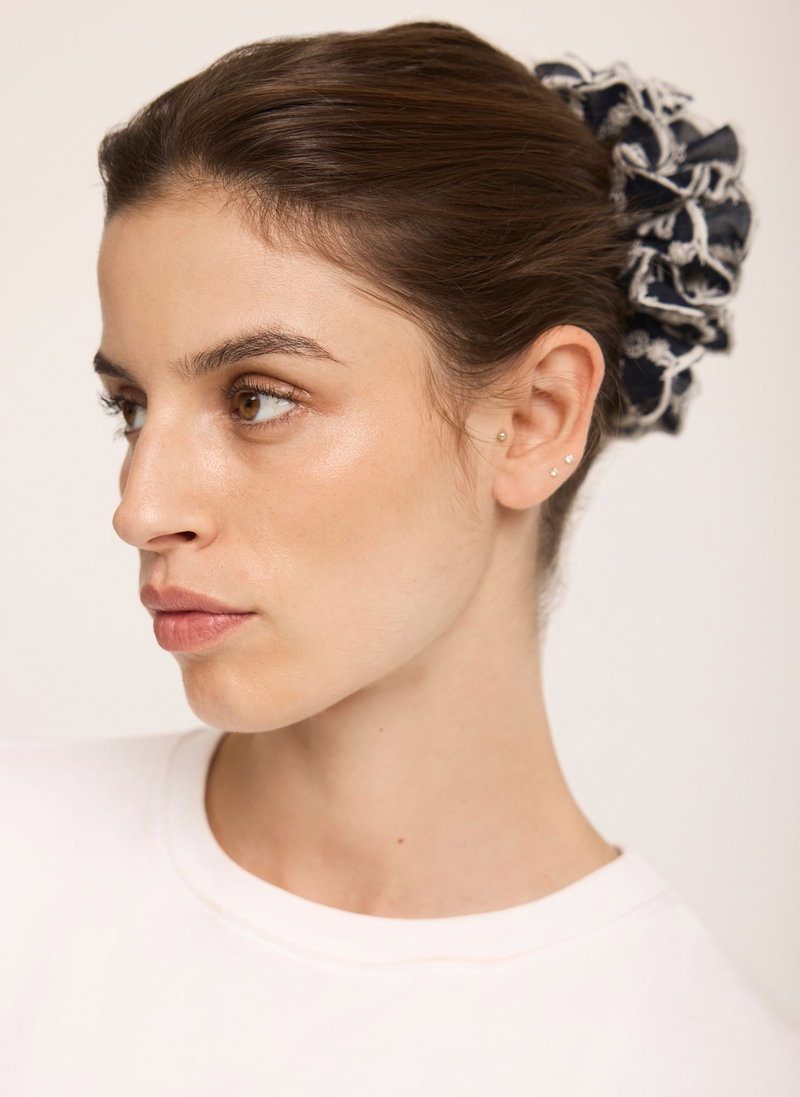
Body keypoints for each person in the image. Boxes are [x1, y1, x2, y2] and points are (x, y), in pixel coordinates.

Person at [1, 20, 797, 1096]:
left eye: (259, 398)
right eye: (131, 406)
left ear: (533, 417)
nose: (141, 508)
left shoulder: (702, 1065)